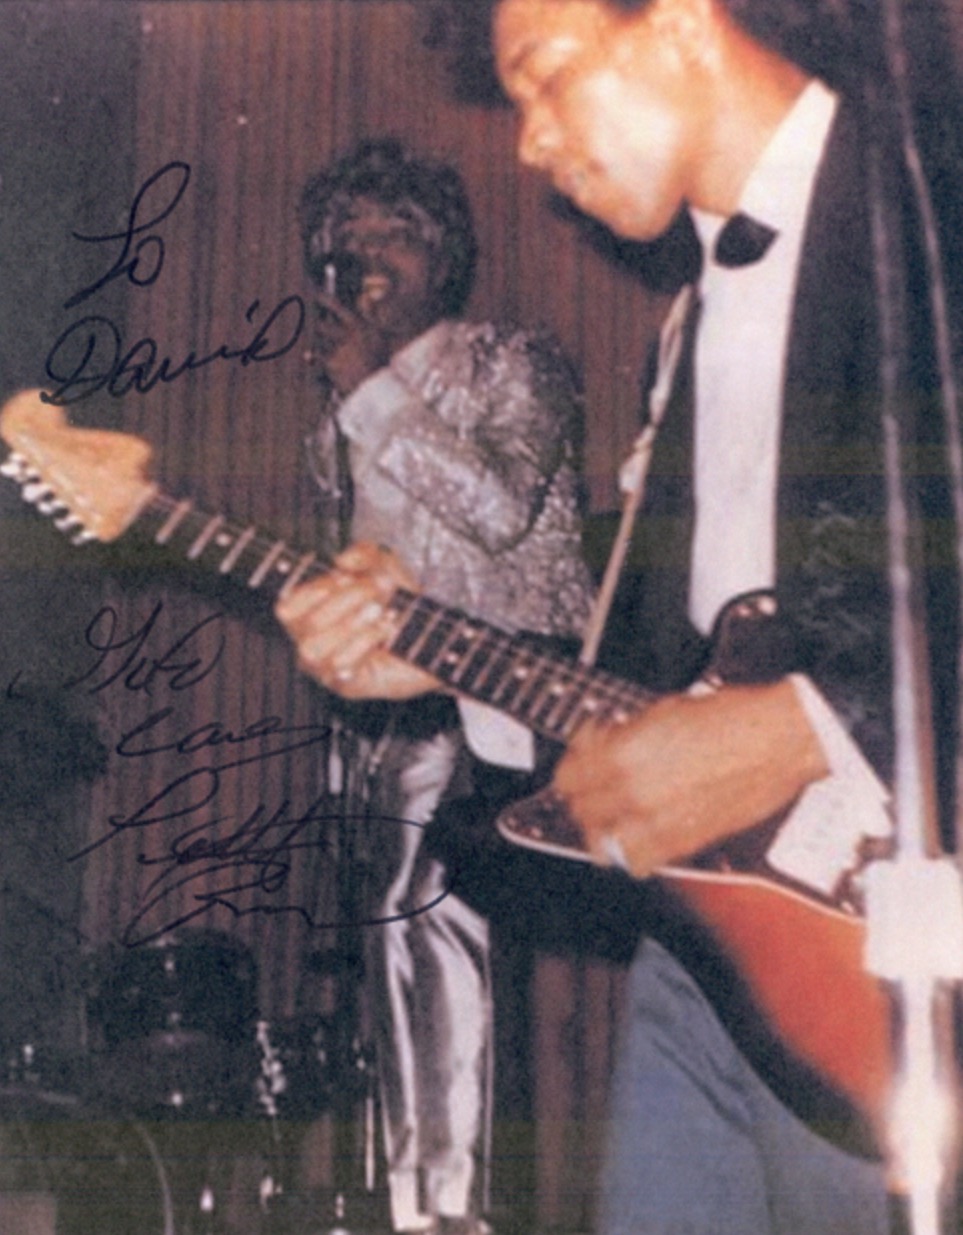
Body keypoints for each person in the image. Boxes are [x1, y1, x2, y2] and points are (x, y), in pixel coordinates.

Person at [277, 4, 963, 1231]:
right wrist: (429, 653)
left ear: (684, 23)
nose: (529, 142)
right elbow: (660, 695)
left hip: (901, 965)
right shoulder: (686, 331)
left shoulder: (933, 205)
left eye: (545, 78)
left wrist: (808, 727)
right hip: (705, 960)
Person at [294, 138, 594, 1235]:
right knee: (391, 935)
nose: (367, 257)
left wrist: (369, 388)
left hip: (503, 696)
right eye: (346, 239)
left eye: (392, 234)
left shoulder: (513, 359)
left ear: (443, 253)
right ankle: (412, 1204)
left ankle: (456, 1205)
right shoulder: (341, 405)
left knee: (438, 920)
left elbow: (499, 508)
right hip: (386, 710)